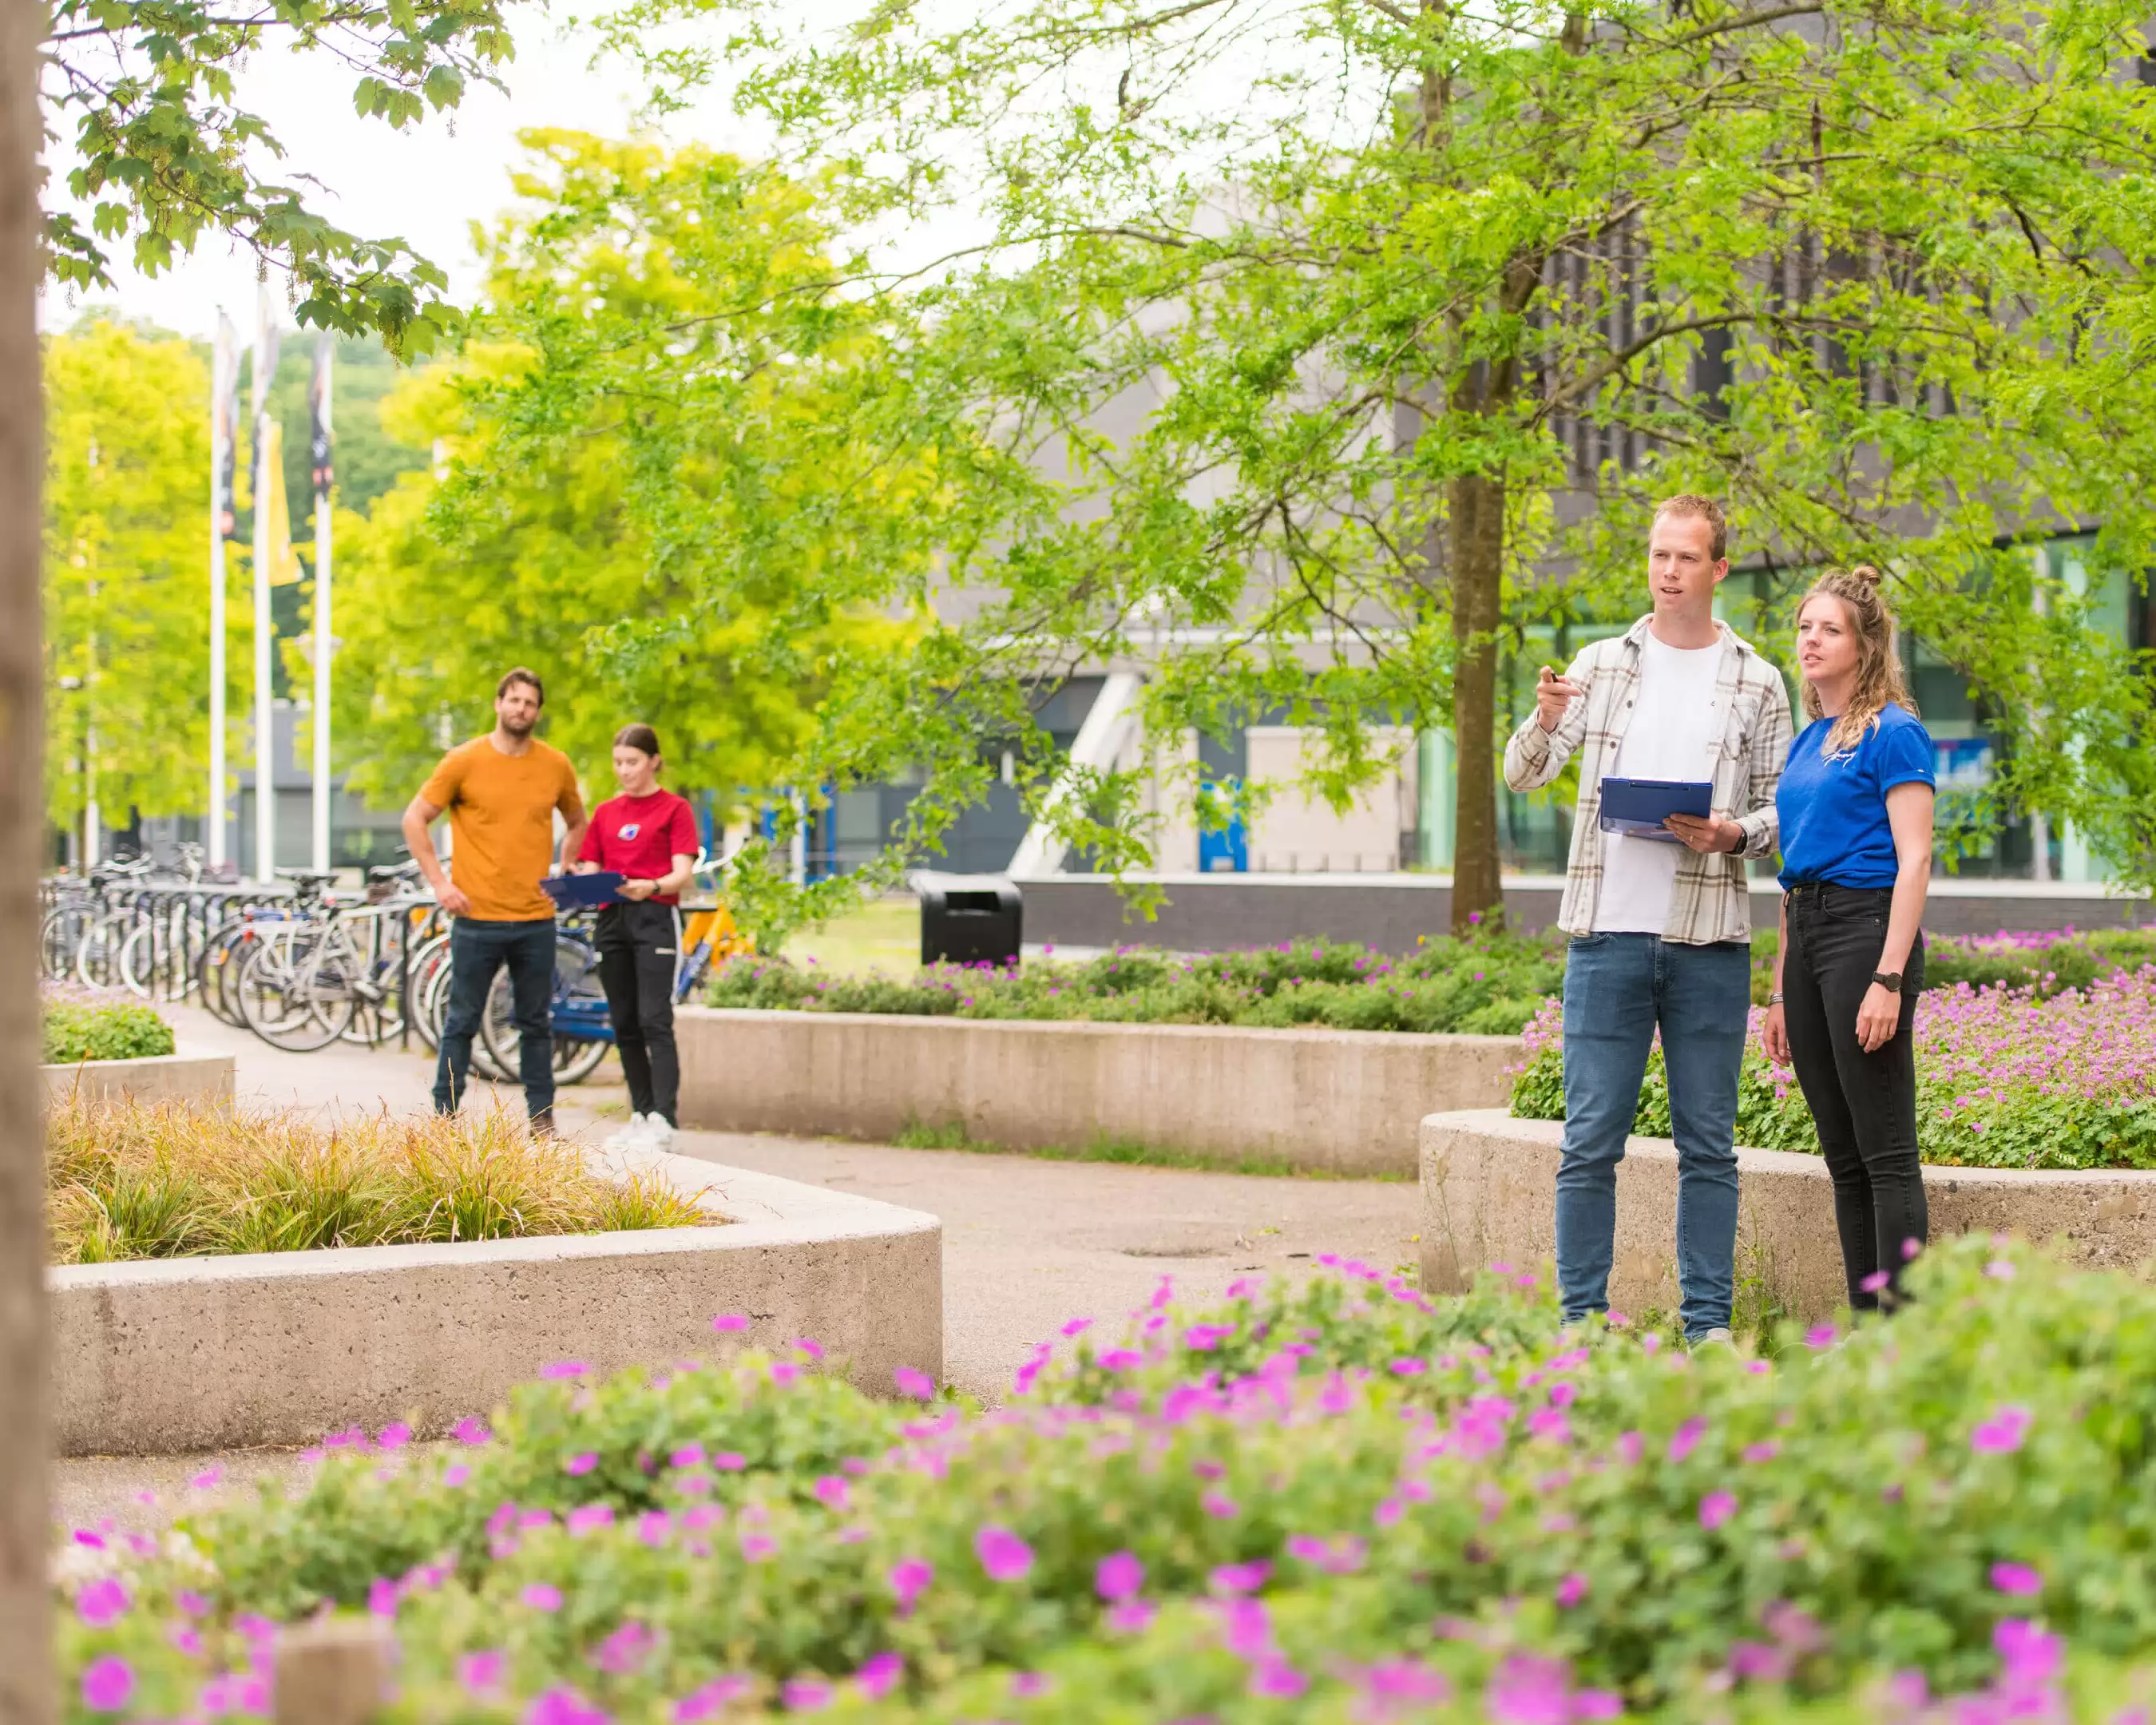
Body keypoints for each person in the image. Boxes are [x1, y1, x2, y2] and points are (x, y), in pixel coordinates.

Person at [1504, 494, 1795, 1346]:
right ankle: (1582, 1328)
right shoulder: (1601, 664)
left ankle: (1707, 1331)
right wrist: (1545, 718)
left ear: (1718, 569)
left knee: (1709, 1147)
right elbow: (1524, 774)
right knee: (1590, 1142)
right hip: (1606, 936)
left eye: (1686, 558)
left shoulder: (1758, 679)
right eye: (1659, 555)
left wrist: (1732, 833)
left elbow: (1788, 809)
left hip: (1709, 943)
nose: (1669, 572)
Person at [1762, 567, 1934, 1312]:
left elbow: (1915, 859)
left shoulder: (1895, 732)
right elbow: (1793, 869)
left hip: (1866, 933)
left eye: (1829, 629)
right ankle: (1867, 1331)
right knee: (1843, 1155)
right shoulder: (1809, 741)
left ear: (1865, 646)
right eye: (1805, 627)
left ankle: (1903, 1334)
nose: (1811, 640)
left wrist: (1889, 978)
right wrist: (1778, 990)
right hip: (1806, 934)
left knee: (1886, 1152)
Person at [402, 668, 586, 1132]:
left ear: (538, 712)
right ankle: (445, 1120)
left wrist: (567, 866)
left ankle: (542, 1123)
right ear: (498, 704)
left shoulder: (555, 764)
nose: (521, 709)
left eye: (530, 703)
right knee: (461, 1020)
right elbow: (415, 818)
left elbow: (577, 820)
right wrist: (440, 884)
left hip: (535, 917)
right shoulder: (463, 761)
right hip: (476, 916)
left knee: (536, 1023)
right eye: (514, 700)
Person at [574, 724, 699, 1152]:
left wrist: (653, 886)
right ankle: (641, 1114)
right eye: (618, 763)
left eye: (632, 762)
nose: (624, 770)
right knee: (624, 1021)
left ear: (653, 761)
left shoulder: (675, 809)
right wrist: (579, 881)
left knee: (653, 1019)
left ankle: (664, 1118)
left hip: (654, 917)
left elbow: (683, 873)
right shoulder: (606, 813)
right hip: (612, 919)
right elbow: (591, 868)